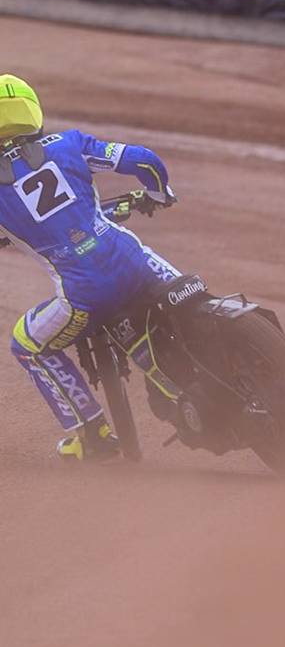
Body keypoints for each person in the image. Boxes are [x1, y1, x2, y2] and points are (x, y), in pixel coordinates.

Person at [0, 74, 180, 461]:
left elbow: (49, 224)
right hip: (139, 264)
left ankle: (94, 436)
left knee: (27, 344)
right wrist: (158, 194)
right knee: (192, 296)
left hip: (85, 297)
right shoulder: (70, 143)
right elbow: (144, 161)